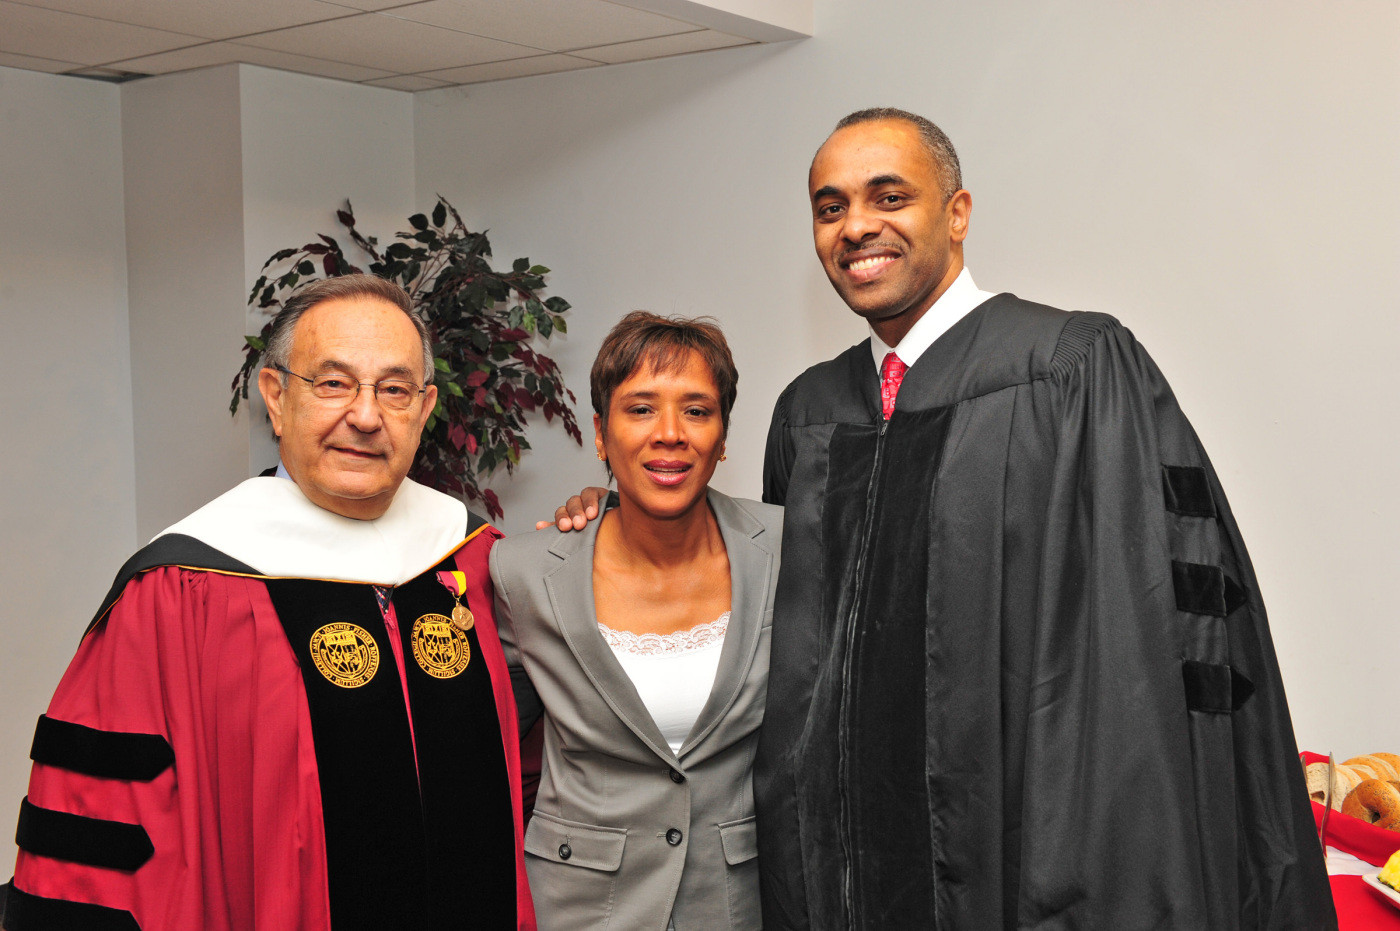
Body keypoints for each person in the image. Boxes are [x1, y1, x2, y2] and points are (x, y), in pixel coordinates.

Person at [549, 109, 1335, 929]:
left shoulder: (1073, 370)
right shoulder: (811, 410)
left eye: (889, 196)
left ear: (957, 213)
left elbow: (1144, 656)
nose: (857, 226)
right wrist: (609, 512)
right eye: (830, 207)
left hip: (1021, 865)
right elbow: (755, 602)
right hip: (829, 880)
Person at [4, 275, 535, 930]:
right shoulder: (178, 589)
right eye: (333, 383)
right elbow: (98, 843)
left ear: (424, 410)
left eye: (393, 389)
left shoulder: (470, 557)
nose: (365, 416)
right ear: (277, 396)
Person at [494, 312, 781, 930]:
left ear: (724, 435)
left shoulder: (788, 548)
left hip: (736, 904)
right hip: (580, 907)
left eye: (697, 411)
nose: (670, 434)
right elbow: (491, 756)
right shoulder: (521, 572)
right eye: (641, 409)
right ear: (600, 433)